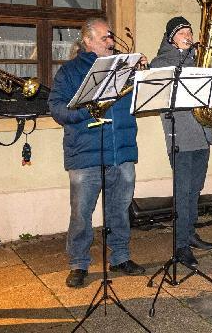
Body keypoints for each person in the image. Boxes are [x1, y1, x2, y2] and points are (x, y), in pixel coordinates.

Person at [48, 17, 145, 288]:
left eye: (111, 37)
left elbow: (144, 96)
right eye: (105, 37)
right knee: (81, 213)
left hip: (121, 151)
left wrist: (142, 73)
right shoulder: (69, 72)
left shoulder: (124, 68)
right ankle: (78, 263)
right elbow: (56, 108)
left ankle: (121, 256)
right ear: (87, 41)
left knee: (120, 209)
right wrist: (84, 111)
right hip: (85, 153)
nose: (111, 41)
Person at [148, 16, 212, 267]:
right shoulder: (161, 63)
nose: (188, 35)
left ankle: (189, 234)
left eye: (190, 31)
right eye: (182, 33)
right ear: (171, 38)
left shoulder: (199, 60)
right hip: (180, 136)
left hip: (202, 134)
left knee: (195, 190)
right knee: (183, 193)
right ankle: (180, 246)